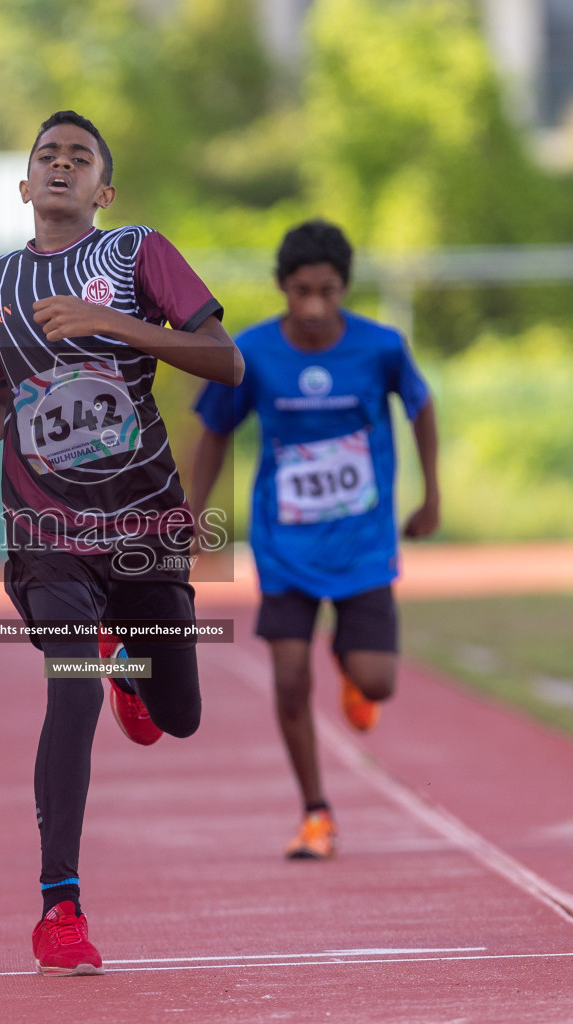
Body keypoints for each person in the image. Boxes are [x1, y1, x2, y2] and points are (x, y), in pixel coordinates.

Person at [0, 110, 242, 976]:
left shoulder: (137, 252)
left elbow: (225, 360)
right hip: (46, 532)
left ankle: (133, 671)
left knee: (177, 719)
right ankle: (59, 908)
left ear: (102, 190)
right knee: (69, 692)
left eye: (80, 158)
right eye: (47, 156)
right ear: (26, 185)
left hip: (143, 523)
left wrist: (120, 330)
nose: (61, 165)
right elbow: (6, 394)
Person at [190, 219, 439, 861]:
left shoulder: (380, 348)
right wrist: (194, 512)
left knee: (378, 682)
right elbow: (214, 429)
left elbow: (421, 406)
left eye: (327, 292)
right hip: (285, 548)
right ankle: (315, 813)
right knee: (289, 676)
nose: (314, 307)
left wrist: (431, 495)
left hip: (362, 544)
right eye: (301, 292)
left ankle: (355, 675)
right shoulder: (252, 354)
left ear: (345, 287)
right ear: (282, 288)